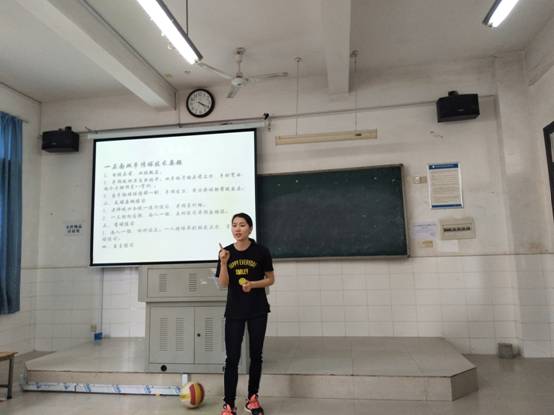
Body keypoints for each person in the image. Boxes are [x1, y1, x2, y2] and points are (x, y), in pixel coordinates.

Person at [215, 213, 275, 415]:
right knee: (232, 358)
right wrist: (224, 262)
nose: (237, 229)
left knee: (256, 355)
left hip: (258, 310)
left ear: (250, 228)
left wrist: (253, 284)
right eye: (234, 225)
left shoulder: (261, 251)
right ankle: (229, 404)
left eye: (242, 225)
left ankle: (252, 399)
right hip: (235, 311)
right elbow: (223, 284)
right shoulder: (226, 252)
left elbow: (270, 279)